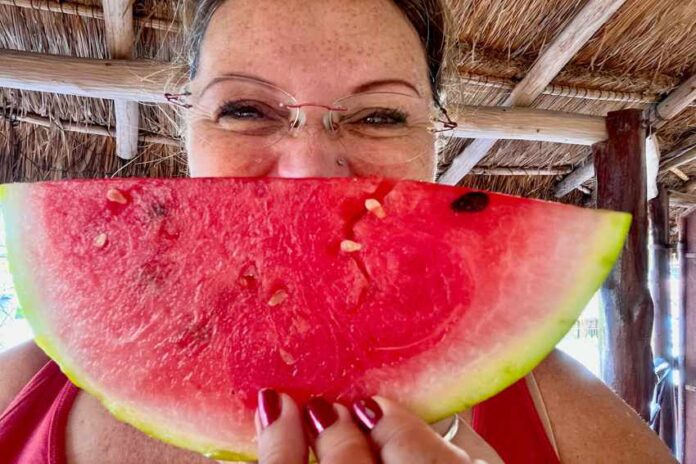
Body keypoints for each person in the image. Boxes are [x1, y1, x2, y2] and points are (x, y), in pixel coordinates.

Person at [0, 0, 677, 462]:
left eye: (380, 117)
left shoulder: (578, 426)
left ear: (436, 139)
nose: (307, 173)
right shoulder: (14, 401)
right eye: (243, 109)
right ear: (184, 125)